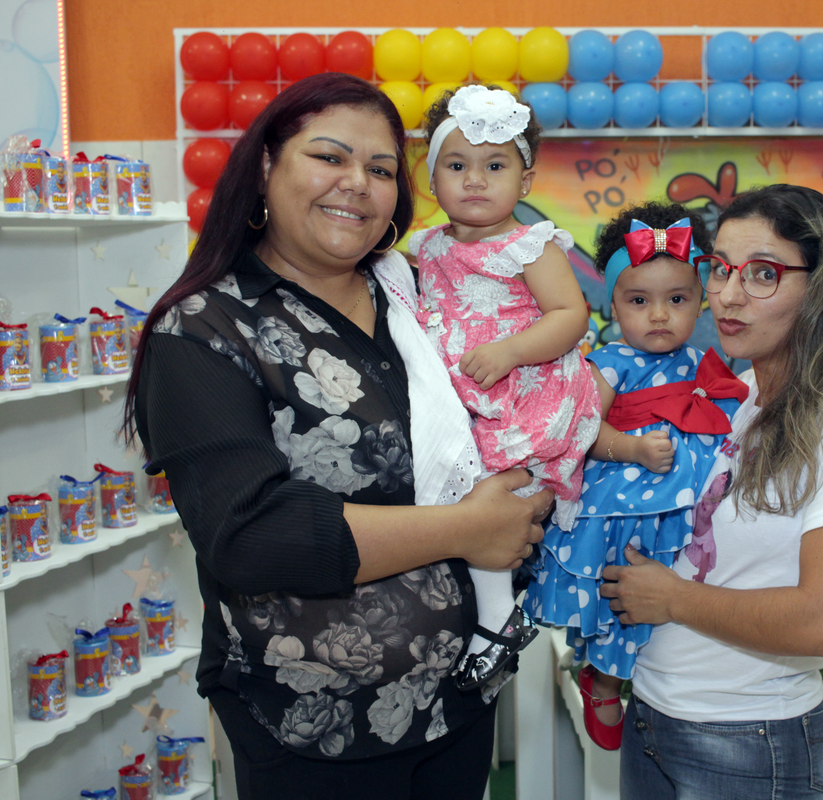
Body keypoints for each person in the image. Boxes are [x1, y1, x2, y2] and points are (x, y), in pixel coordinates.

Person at [125, 73, 552, 800]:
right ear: (266, 167)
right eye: (329, 157)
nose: (357, 182)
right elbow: (249, 534)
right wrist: (468, 529)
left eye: (381, 169)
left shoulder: (416, 292)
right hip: (314, 729)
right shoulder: (204, 329)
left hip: (457, 704)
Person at [601, 185, 823, 799]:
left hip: (748, 741)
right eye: (720, 269)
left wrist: (673, 599)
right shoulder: (738, 395)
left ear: (820, 287)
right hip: (656, 716)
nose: (729, 295)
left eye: (763, 274)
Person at [523, 202, 748, 751]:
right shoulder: (609, 362)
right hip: (623, 504)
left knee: (675, 595)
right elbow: (579, 431)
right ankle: (603, 679)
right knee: (622, 591)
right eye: (639, 301)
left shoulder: (702, 363)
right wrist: (631, 448)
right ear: (613, 303)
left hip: (686, 507)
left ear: (700, 301)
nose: (659, 315)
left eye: (677, 300)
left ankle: (659, 669)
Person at [410, 85, 601, 689]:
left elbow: (571, 315)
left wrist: (511, 350)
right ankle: (485, 609)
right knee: (451, 497)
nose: (474, 180)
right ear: (431, 179)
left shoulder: (530, 244)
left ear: (525, 181)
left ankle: (498, 619)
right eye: (456, 165)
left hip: (521, 392)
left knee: (485, 497)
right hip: (464, 392)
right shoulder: (427, 245)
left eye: (494, 166)